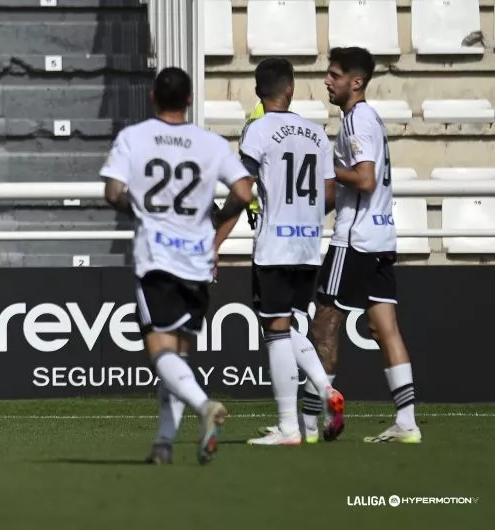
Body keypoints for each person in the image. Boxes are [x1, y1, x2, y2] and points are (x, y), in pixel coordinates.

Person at [100, 67, 255, 464]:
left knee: (160, 352)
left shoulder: (133, 138)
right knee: (179, 357)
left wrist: (138, 209)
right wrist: (217, 222)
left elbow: (113, 191)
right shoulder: (211, 143)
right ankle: (163, 445)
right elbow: (243, 191)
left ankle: (205, 406)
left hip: (156, 258)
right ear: (189, 100)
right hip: (197, 259)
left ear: (153, 96)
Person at [214, 57, 345, 445]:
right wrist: (304, 216)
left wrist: (215, 242)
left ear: (258, 92)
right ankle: (325, 390)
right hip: (307, 246)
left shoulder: (257, 131)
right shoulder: (315, 133)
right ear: (290, 89)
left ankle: (290, 427)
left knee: (275, 332)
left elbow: (242, 191)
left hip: (274, 247)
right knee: (287, 327)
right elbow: (332, 192)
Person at [307, 47, 421, 443]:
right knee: (382, 326)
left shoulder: (357, 122)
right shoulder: (367, 119)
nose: (327, 80)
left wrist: (324, 163)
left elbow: (365, 179)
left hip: (354, 240)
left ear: (356, 82)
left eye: (334, 74)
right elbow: (355, 186)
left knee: (324, 322)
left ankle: (312, 420)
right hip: (381, 236)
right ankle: (406, 422)